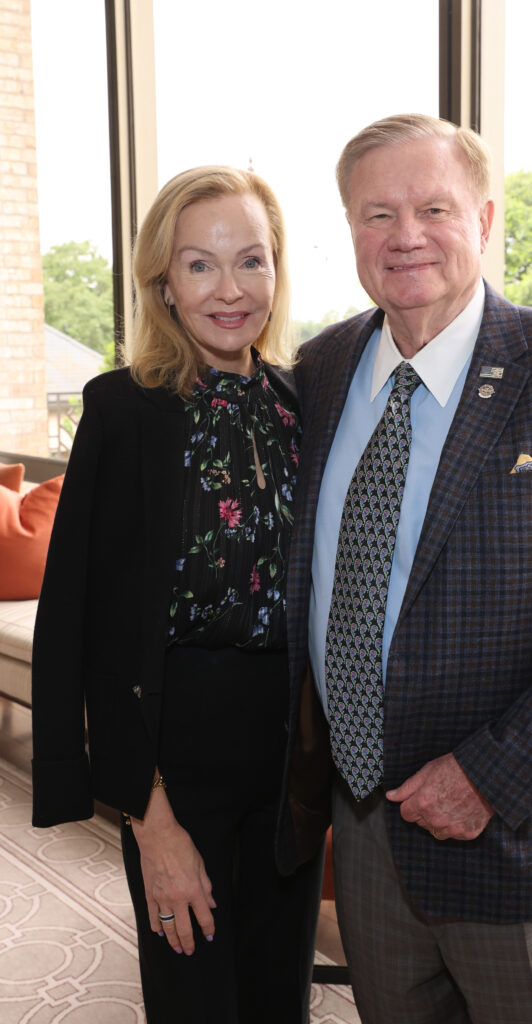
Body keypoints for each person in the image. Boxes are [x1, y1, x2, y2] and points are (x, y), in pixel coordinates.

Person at [283, 113, 532, 1024]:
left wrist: (490, 779)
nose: (405, 235)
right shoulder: (318, 369)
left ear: (487, 218)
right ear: (348, 230)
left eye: (433, 206)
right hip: (370, 835)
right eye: (376, 214)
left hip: (530, 841)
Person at [31, 165, 324, 1024]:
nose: (230, 290)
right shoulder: (123, 410)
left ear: (277, 271)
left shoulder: (296, 402)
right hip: (174, 752)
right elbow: (79, 620)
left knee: (278, 998)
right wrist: (146, 816)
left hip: (286, 753)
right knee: (193, 996)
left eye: (252, 261)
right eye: (199, 265)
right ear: (163, 279)